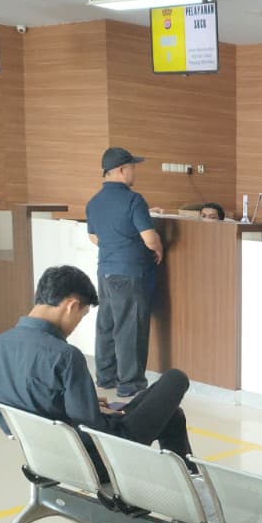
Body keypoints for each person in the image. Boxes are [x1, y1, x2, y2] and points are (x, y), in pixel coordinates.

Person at [0, 265, 193, 463]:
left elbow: (12, 420)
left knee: (171, 414)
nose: (76, 325)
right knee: (175, 379)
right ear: (71, 305)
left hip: (42, 458)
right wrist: (97, 413)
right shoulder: (65, 356)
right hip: (97, 459)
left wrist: (89, 404)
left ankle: (189, 478)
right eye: (80, 316)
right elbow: (91, 429)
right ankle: (189, 478)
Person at [86, 147, 162, 400]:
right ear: (121, 170)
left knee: (107, 324)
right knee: (130, 328)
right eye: (132, 168)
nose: (134, 173)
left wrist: (113, 245)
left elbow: (93, 237)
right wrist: (158, 247)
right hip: (130, 272)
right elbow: (149, 238)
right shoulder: (133, 200)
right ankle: (130, 384)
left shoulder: (94, 201)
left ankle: (105, 377)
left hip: (105, 271)